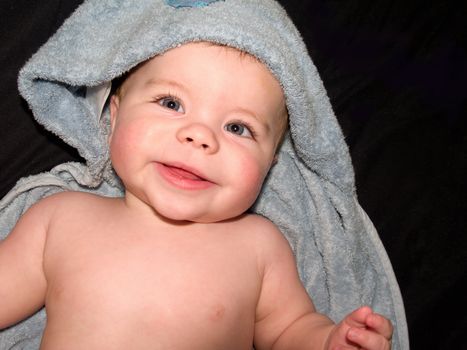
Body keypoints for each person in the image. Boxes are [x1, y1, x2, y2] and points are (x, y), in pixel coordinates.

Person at [0, 41, 392, 349]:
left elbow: (289, 327)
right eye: (172, 103)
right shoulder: (61, 219)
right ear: (114, 117)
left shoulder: (257, 246)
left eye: (238, 128)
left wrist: (328, 341)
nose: (200, 136)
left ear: (271, 163)